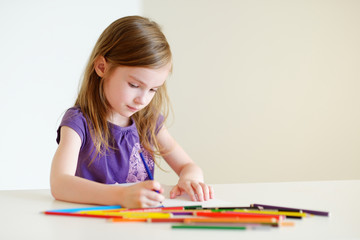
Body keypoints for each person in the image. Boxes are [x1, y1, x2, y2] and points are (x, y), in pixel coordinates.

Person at [50, 16, 214, 208]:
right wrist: (121, 195)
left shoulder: (148, 121)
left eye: (153, 89)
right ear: (102, 67)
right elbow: (59, 184)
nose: (143, 100)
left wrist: (191, 179)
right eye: (134, 85)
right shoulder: (79, 122)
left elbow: (188, 166)